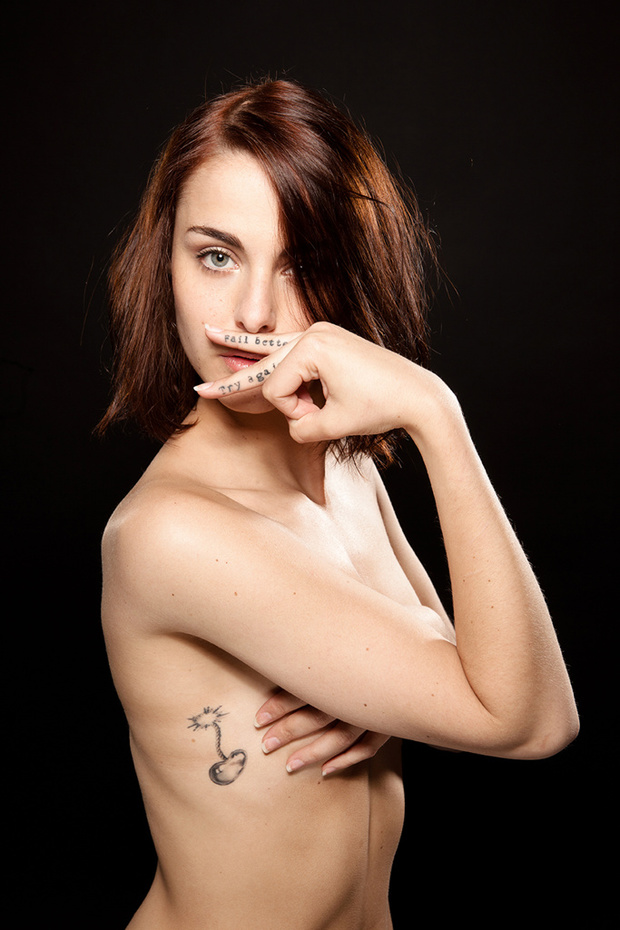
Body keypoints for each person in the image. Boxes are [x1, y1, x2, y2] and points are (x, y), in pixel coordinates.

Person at [99, 78, 579, 930]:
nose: (252, 313)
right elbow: (526, 719)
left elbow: (485, 676)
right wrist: (436, 411)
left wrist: (400, 703)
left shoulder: (343, 466)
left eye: (300, 263)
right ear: (164, 261)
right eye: (216, 256)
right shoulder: (170, 532)